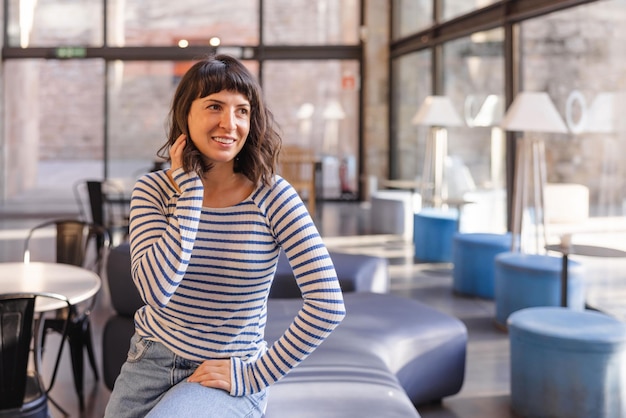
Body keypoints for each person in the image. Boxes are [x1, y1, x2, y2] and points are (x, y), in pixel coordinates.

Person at [104, 54, 346, 418]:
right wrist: (190, 195)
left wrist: (254, 375)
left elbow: (327, 304)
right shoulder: (153, 191)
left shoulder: (273, 196)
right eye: (214, 106)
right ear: (186, 114)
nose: (229, 123)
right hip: (149, 362)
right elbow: (156, 291)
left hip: (227, 372)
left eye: (242, 110)